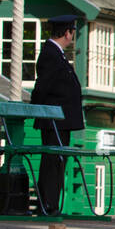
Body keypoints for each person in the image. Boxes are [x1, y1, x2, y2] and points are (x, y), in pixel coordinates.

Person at [30, 14, 85, 215]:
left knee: (57, 161)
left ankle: (51, 202)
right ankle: (48, 204)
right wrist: (38, 108)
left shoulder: (57, 54)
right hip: (54, 120)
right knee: (52, 162)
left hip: (61, 121)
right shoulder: (50, 54)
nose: (72, 37)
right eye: (72, 32)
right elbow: (43, 86)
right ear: (67, 33)